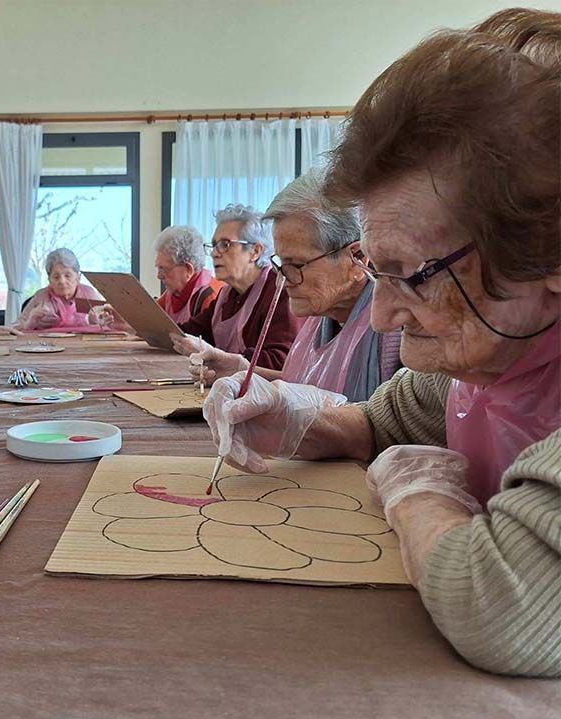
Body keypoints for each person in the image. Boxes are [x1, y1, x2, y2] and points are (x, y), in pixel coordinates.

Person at [202, 23, 561, 676]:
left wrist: (416, 489)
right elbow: (384, 419)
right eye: (380, 274)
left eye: (413, 275)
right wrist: (293, 416)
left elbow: (500, 608)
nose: (387, 312)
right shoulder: (498, 351)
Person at [188, 170, 402, 401]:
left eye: (297, 264)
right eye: (281, 262)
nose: (282, 279)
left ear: (358, 258)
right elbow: (308, 385)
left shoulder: (396, 329)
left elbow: (385, 422)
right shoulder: (321, 314)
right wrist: (242, 370)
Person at [171, 205, 299, 368]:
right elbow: (190, 331)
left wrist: (217, 355)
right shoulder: (227, 294)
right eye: (214, 245)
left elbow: (279, 362)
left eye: (225, 244)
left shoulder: (280, 291)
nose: (214, 253)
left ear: (255, 251)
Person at [92, 226, 224, 332]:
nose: (159, 276)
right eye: (158, 268)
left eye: (164, 269)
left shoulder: (211, 296)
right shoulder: (171, 294)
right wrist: (125, 321)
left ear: (188, 270)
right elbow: (151, 325)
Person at [15, 248, 103, 331]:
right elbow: (15, 328)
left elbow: (109, 324)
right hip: (48, 346)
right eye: (56, 277)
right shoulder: (41, 296)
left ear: (78, 278)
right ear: (49, 280)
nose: (62, 281)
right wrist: (30, 323)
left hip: (85, 345)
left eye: (67, 275)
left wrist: (96, 321)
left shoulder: (89, 294)